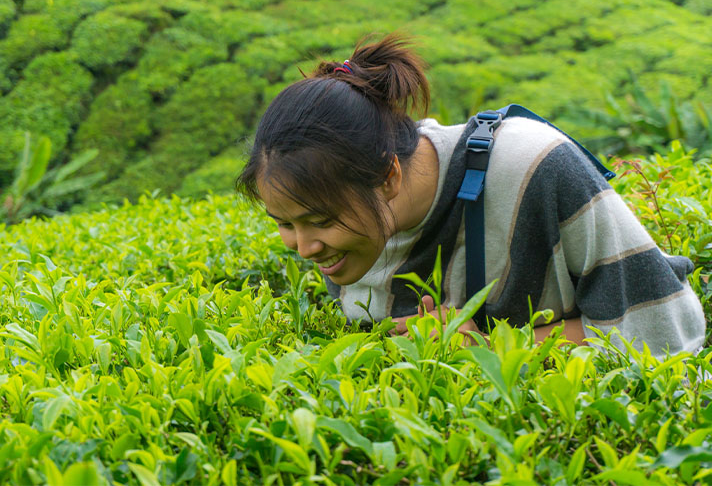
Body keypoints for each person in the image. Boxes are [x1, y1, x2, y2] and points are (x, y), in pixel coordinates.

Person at [236, 34, 706, 356]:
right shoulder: (348, 225)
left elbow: (665, 328)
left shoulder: (533, 166)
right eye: (285, 223)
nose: (301, 248)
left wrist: (488, 348)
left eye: (319, 220)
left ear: (389, 177)